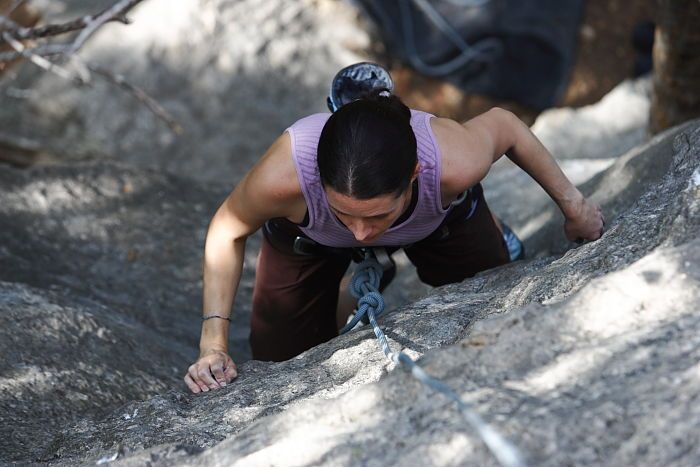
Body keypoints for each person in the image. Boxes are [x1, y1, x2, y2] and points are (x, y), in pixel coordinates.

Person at [183, 68, 604, 395]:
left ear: (416, 173)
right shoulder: (284, 179)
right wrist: (213, 344)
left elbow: (506, 125)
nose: (362, 233)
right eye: (346, 213)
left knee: (496, 290)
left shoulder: (451, 162)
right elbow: (225, 230)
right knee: (280, 358)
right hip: (309, 238)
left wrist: (575, 206)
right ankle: (356, 282)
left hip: (436, 222)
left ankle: (490, 228)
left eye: (377, 217)